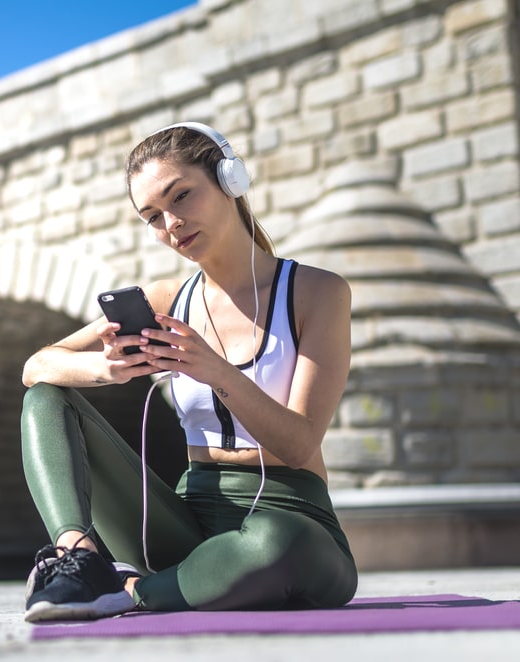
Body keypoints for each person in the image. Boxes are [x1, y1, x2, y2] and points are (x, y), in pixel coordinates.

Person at [19, 121, 358, 623]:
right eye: (152, 216)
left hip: (292, 517)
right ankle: (79, 559)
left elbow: (299, 444)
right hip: (182, 519)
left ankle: (134, 589)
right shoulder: (164, 299)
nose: (171, 224)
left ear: (230, 181)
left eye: (181, 197)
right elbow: (36, 366)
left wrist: (214, 369)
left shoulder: (317, 292)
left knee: (273, 541)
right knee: (47, 396)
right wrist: (108, 369)